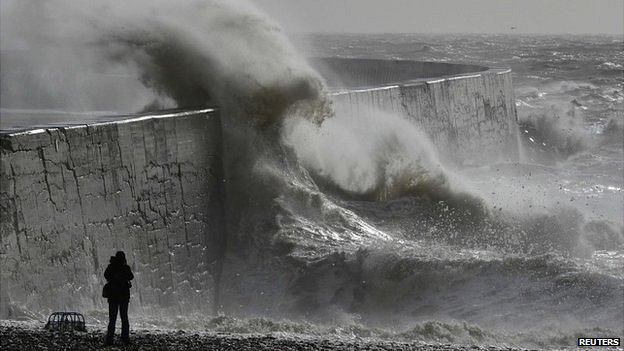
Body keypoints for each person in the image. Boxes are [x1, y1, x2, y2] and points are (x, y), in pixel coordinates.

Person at [104, 251, 134, 346]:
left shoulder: (111, 267)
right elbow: (131, 277)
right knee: (124, 318)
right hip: (123, 296)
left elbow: (106, 275)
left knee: (112, 319)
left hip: (113, 296)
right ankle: (125, 338)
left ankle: (110, 339)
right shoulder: (125, 268)